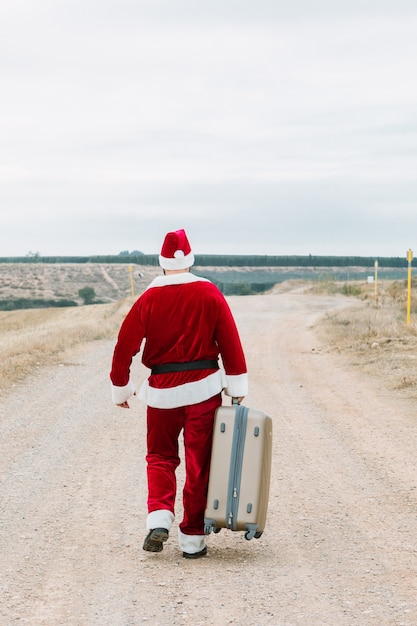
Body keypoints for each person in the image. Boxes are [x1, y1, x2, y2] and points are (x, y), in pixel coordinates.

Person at [110, 228, 248, 558]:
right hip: (204, 391)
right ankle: (192, 539)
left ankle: (159, 516)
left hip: (161, 394)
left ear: (161, 264)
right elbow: (230, 341)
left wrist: (121, 388)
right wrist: (236, 386)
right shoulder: (210, 293)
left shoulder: (148, 299)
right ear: (190, 260)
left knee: (160, 457)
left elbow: (124, 347)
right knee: (200, 463)